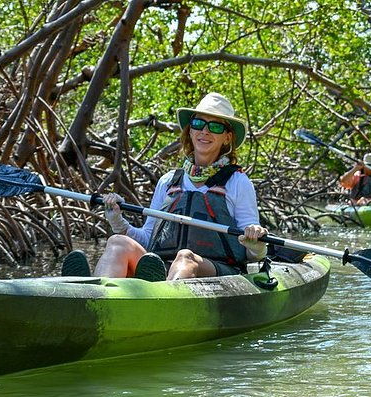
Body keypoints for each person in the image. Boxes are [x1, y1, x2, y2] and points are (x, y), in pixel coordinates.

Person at [62, 92, 268, 281]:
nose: (204, 132)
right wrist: (117, 221)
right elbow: (148, 239)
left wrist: (255, 243)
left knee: (185, 258)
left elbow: (253, 255)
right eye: (198, 123)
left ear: (227, 137)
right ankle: (95, 294)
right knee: (117, 242)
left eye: (215, 127)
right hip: (163, 268)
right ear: (190, 130)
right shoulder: (168, 182)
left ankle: (161, 299)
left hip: (218, 270)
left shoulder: (238, 182)